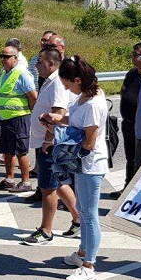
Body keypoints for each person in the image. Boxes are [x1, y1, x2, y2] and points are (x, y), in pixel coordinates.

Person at [41, 56, 109, 280]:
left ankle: (89, 265)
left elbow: (88, 142)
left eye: (68, 85)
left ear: (78, 80)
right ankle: (82, 253)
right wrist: (58, 119)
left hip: (90, 165)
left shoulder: (93, 104)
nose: (67, 89)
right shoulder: (84, 97)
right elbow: (75, 121)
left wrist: (58, 142)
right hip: (81, 164)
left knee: (89, 215)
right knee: (82, 208)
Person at [22, 47, 81, 245]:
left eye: (39, 62)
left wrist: (48, 139)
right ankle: (78, 218)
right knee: (60, 182)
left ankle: (46, 230)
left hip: (51, 144)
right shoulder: (50, 81)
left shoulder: (56, 83)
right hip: (46, 142)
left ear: (50, 63)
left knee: (47, 188)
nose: (36, 66)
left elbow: (58, 112)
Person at [0, 43, 38, 193]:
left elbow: (33, 96)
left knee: (20, 150)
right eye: (2, 56)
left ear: (15, 58)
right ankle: (9, 179)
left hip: (19, 117)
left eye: (6, 57)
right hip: (6, 118)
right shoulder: (3, 73)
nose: (3, 59)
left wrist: (30, 113)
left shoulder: (22, 74)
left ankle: (26, 181)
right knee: (7, 150)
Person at [119, 42, 141, 186]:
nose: (132, 57)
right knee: (130, 157)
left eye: (135, 54)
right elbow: (123, 90)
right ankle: (127, 186)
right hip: (128, 122)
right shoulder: (132, 73)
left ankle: (139, 188)